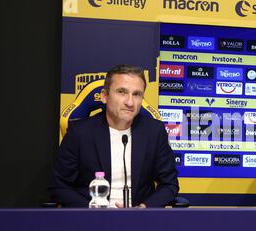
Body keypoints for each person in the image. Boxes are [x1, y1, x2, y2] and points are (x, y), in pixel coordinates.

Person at [49, 64, 179, 208]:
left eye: (136, 94)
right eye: (122, 92)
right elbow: (58, 185)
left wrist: (143, 208)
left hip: (140, 220)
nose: (130, 102)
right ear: (104, 96)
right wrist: (91, 210)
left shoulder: (154, 131)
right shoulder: (79, 132)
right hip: (90, 220)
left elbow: (169, 185)